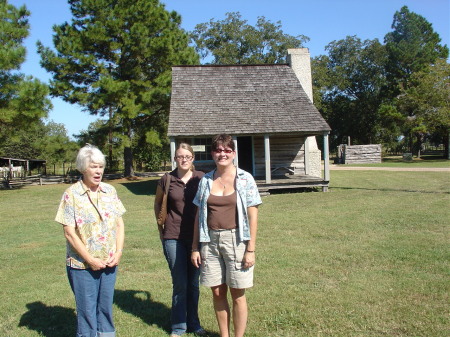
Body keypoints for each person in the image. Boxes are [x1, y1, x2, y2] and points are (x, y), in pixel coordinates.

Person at [191, 134, 262, 337]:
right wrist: (195, 247)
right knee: (217, 291)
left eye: (227, 150)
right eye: (218, 150)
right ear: (212, 153)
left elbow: (253, 214)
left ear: (234, 153)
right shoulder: (205, 180)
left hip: (237, 241)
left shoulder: (245, 178)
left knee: (237, 292)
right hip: (210, 242)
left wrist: (251, 248)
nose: (222, 153)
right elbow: (198, 215)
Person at [55, 144, 125, 337]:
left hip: (110, 262)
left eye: (100, 166)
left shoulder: (110, 191)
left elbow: (119, 225)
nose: (98, 171)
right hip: (82, 265)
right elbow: (69, 232)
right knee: (87, 312)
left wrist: (118, 252)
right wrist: (91, 260)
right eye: (93, 166)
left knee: (105, 308)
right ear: (83, 168)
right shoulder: (71, 195)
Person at [154, 143, 207, 337]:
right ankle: (178, 326)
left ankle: (194, 323)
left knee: (193, 283)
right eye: (179, 156)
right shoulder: (167, 179)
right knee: (180, 283)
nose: (183, 159)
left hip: (196, 238)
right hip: (172, 237)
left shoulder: (201, 178)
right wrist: (162, 228)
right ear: (175, 159)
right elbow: (158, 203)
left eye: (187, 156)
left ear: (192, 158)